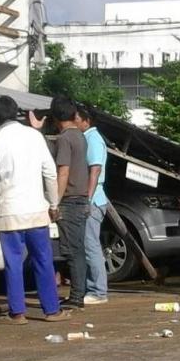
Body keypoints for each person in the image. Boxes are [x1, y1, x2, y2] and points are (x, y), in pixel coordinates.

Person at [0, 96, 70, 324]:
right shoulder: (34, 136)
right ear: (17, 113)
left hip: (9, 212)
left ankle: (17, 313)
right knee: (43, 261)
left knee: (13, 263)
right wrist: (53, 204)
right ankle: (52, 311)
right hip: (37, 210)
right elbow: (49, 172)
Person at [51, 96, 90, 309]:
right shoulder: (80, 136)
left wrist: (55, 202)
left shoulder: (64, 139)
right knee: (79, 249)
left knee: (72, 250)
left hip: (70, 199)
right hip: (81, 199)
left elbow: (63, 171)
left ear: (56, 117)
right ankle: (78, 294)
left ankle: (76, 296)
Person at [76, 107, 110, 304]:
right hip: (93, 198)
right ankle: (93, 288)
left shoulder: (93, 139)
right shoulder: (88, 138)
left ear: (86, 120)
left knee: (91, 246)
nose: (75, 121)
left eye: (77, 118)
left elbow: (95, 169)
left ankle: (98, 291)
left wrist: (86, 200)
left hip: (93, 200)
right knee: (88, 245)